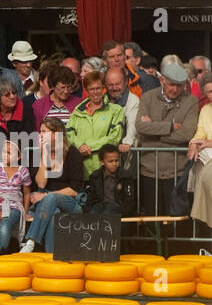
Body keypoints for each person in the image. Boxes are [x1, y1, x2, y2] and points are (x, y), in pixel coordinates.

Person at [137, 61, 199, 215]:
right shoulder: (147, 97)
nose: (175, 89)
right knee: (151, 216)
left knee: (176, 218)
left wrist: (153, 131)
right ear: (162, 80)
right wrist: (170, 126)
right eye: (171, 84)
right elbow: (141, 127)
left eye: (180, 85)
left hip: (176, 169)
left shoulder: (191, 101)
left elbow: (186, 134)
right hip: (149, 168)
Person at [20, 117, 85, 254]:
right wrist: (44, 155)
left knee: (50, 199)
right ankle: (51, 257)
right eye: (40, 131)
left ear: (56, 134)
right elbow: (41, 183)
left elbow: (74, 190)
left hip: (71, 203)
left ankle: (30, 240)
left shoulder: (73, 154)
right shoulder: (40, 153)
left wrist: (46, 195)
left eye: (44, 132)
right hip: (47, 206)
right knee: (54, 213)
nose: (40, 135)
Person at [65, 71, 125, 176]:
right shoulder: (77, 111)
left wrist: (88, 146)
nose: (95, 92)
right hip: (80, 167)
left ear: (103, 88)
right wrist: (80, 145)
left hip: (104, 169)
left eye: (98, 88)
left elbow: (114, 137)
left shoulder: (116, 110)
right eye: (91, 89)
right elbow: (68, 133)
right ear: (86, 91)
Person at [0, 141, 31, 259]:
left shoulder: (23, 171)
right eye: (3, 151)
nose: (5, 155)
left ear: (19, 156)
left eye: (9, 153)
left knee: (4, 225)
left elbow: (27, 193)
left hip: (14, 205)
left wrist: (25, 211)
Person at [85, 144, 136, 216]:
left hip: (117, 206)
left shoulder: (126, 177)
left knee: (108, 212)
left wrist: (123, 213)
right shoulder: (95, 176)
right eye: (110, 161)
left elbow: (129, 200)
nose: (114, 164)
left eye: (116, 161)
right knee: (93, 213)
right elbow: (90, 197)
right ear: (102, 162)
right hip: (99, 205)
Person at [105, 67, 139, 155]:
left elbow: (132, 123)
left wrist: (127, 142)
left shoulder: (133, 100)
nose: (114, 88)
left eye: (118, 84)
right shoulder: (102, 99)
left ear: (126, 82)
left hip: (125, 152)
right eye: (110, 84)